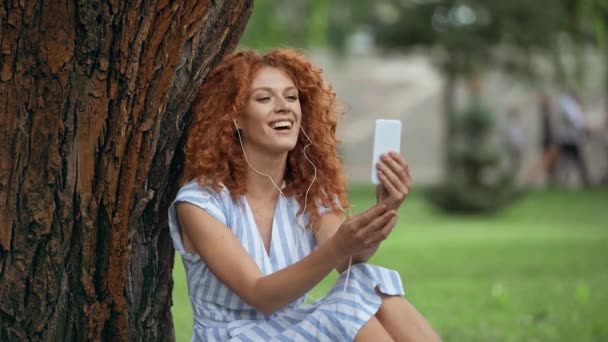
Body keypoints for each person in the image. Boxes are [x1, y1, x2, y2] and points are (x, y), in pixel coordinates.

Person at [168, 49, 440, 341]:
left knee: (364, 279)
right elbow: (260, 294)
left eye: (291, 97)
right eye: (264, 98)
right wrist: (338, 247)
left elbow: (348, 259)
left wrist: (385, 208)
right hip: (235, 336)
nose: (283, 107)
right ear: (235, 118)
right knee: (343, 310)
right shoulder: (200, 202)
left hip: (293, 330)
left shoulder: (308, 191)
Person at [555, 89, 591, 186]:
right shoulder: (568, 105)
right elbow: (575, 120)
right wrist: (586, 128)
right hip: (569, 139)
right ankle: (584, 180)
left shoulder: (570, 105)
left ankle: (563, 180)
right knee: (573, 160)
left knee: (570, 160)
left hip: (571, 138)